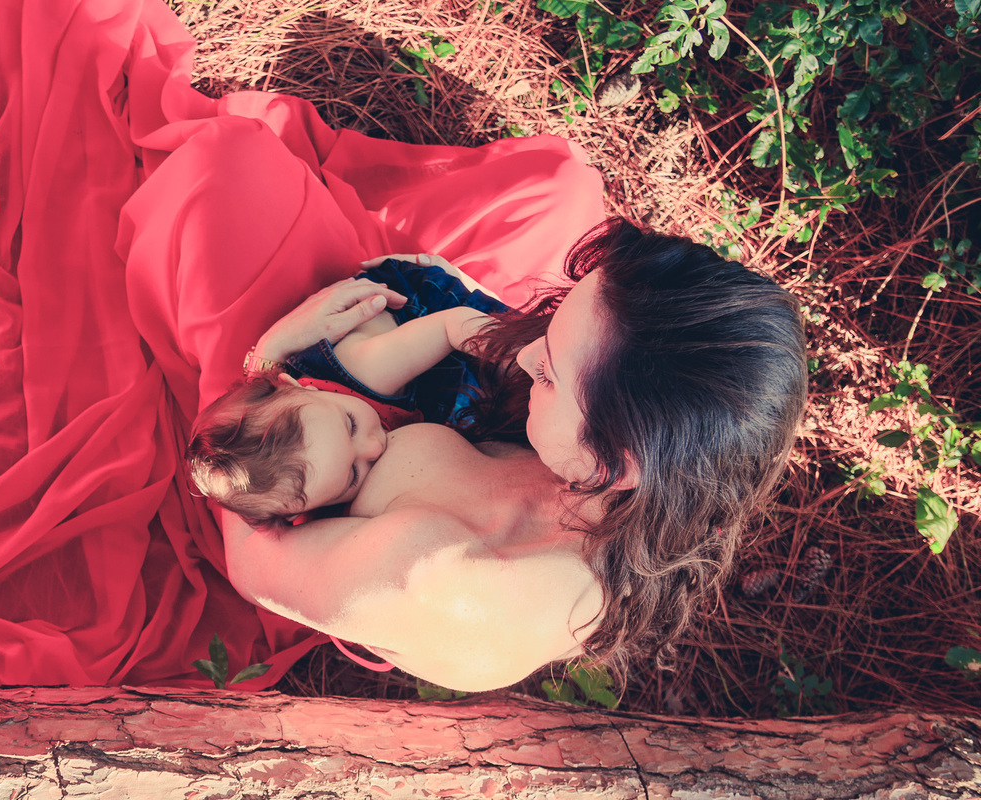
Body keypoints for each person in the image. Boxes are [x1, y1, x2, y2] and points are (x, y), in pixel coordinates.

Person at [218, 217, 807, 691]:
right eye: (550, 329)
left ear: (614, 461)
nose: (523, 357)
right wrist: (457, 298)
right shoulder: (659, 471)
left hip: (284, 476)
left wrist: (263, 366)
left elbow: (250, 560)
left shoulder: (439, 576)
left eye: (547, 373)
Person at [187, 262, 494, 524]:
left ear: (296, 385)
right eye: (351, 475)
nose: (373, 448)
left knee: (497, 379)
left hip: (424, 315)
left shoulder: (367, 370)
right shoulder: (319, 468)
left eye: (351, 425)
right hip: (416, 391)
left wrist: (512, 352)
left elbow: (451, 325)